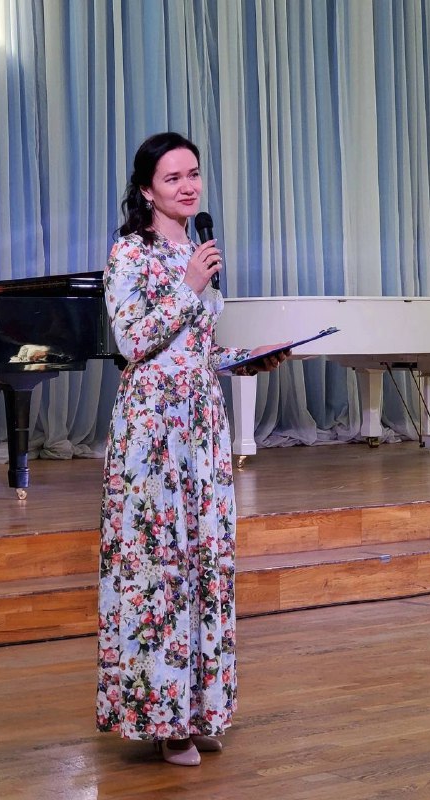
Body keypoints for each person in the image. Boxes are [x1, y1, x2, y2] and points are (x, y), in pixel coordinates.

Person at [96, 131, 288, 766]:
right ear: (147, 189)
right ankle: (162, 720)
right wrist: (187, 286)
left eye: (194, 174)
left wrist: (247, 358)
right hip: (153, 430)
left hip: (201, 425)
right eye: (173, 177)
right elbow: (132, 342)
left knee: (204, 564)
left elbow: (194, 348)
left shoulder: (196, 250)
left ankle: (199, 709)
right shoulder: (131, 252)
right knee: (159, 569)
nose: (188, 186)